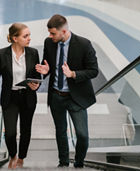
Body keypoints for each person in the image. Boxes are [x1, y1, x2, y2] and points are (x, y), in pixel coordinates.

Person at [35, 14, 98, 168]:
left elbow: (93, 70)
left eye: (53, 33)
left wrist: (73, 74)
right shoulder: (49, 43)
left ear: (63, 32)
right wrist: (45, 71)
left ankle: (79, 163)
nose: (50, 36)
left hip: (76, 98)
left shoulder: (84, 44)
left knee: (82, 135)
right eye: (49, 33)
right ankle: (63, 163)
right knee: (60, 132)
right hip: (57, 96)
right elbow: (48, 66)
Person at [0, 23, 41, 169]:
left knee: (25, 130)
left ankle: (21, 157)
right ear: (15, 38)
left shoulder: (33, 53)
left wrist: (36, 85)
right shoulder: (2, 54)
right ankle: (13, 155)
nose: (29, 38)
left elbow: (36, 77)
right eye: (25, 36)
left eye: (29, 35)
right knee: (10, 132)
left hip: (27, 97)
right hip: (10, 97)